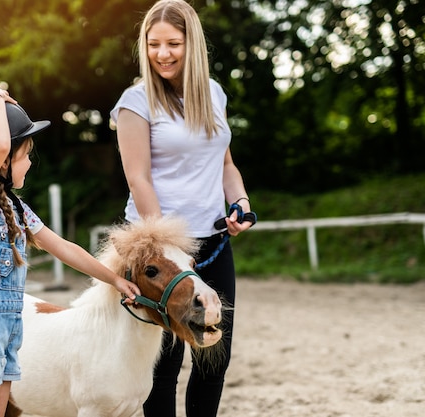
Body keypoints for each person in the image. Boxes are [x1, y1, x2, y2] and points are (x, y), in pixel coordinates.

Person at [0, 86, 140, 417]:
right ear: (1, 162)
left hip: (7, 325)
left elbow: (64, 248)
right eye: (25, 154)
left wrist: (115, 280)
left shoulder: (16, 208)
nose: (30, 162)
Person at [110, 1, 254, 416]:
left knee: (214, 354)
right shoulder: (135, 102)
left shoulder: (214, 93)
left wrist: (240, 203)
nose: (163, 53)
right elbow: (139, 179)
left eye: (173, 43)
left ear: (192, 44)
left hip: (212, 242)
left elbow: (225, 165)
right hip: (161, 251)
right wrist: (164, 247)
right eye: (153, 44)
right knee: (165, 362)